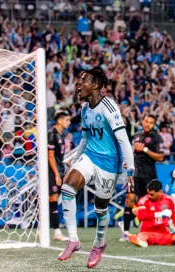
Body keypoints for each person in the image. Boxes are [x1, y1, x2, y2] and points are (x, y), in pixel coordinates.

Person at [57, 67, 135, 269]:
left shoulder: (109, 108)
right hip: (90, 156)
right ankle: (73, 239)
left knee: (101, 208)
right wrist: (72, 159)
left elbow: (124, 140)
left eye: (84, 80)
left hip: (109, 164)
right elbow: (84, 139)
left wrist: (130, 169)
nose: (79, 84)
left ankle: (99, 243)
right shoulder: (84, 109)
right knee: (67, 187)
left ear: (96, 85)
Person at [121, 114, 164, 241]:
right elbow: (133, 152)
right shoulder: (137, 136)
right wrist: (128, 162)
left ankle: (151, 230)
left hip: (149, 175)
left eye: (150, 122)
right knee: (129, 199)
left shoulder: (157, 138)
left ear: (154, 125)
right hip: (134, 174)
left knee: (150, 203)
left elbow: (161, 157)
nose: (147, 124)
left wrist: (144, 149)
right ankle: (126, 233)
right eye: (146, 121)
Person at [47, 110, 70, 241]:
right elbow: (50, 156)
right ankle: (56, 232)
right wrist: (56, 174)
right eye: (67, 120)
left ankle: (47, 229)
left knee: (54, 201)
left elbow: (57, 156)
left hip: (59, 170)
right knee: (53, 200)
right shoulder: (52, 134)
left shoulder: (61, 135)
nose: (69, 122)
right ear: (59, 121)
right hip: (52, 171)